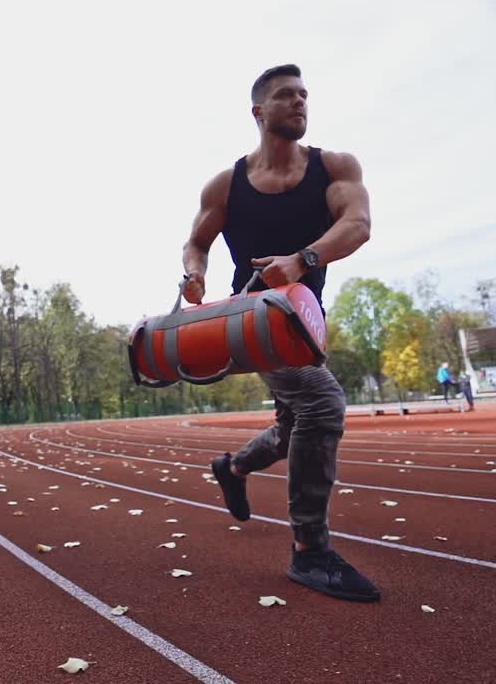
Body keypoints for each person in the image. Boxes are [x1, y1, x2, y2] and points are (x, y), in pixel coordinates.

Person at [184, 64, 378, 603]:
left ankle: (234, 466)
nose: (299, 102)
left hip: (307, 317)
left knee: (295, 425)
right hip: (251, 320)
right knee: (322, 404)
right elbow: (196, 242)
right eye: (286, 95)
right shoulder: (226, 184)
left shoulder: (335, 166)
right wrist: (194, 275)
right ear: (258, 111)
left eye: (304, 94)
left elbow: (358, 225)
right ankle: (309, 550)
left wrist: (303, 259)